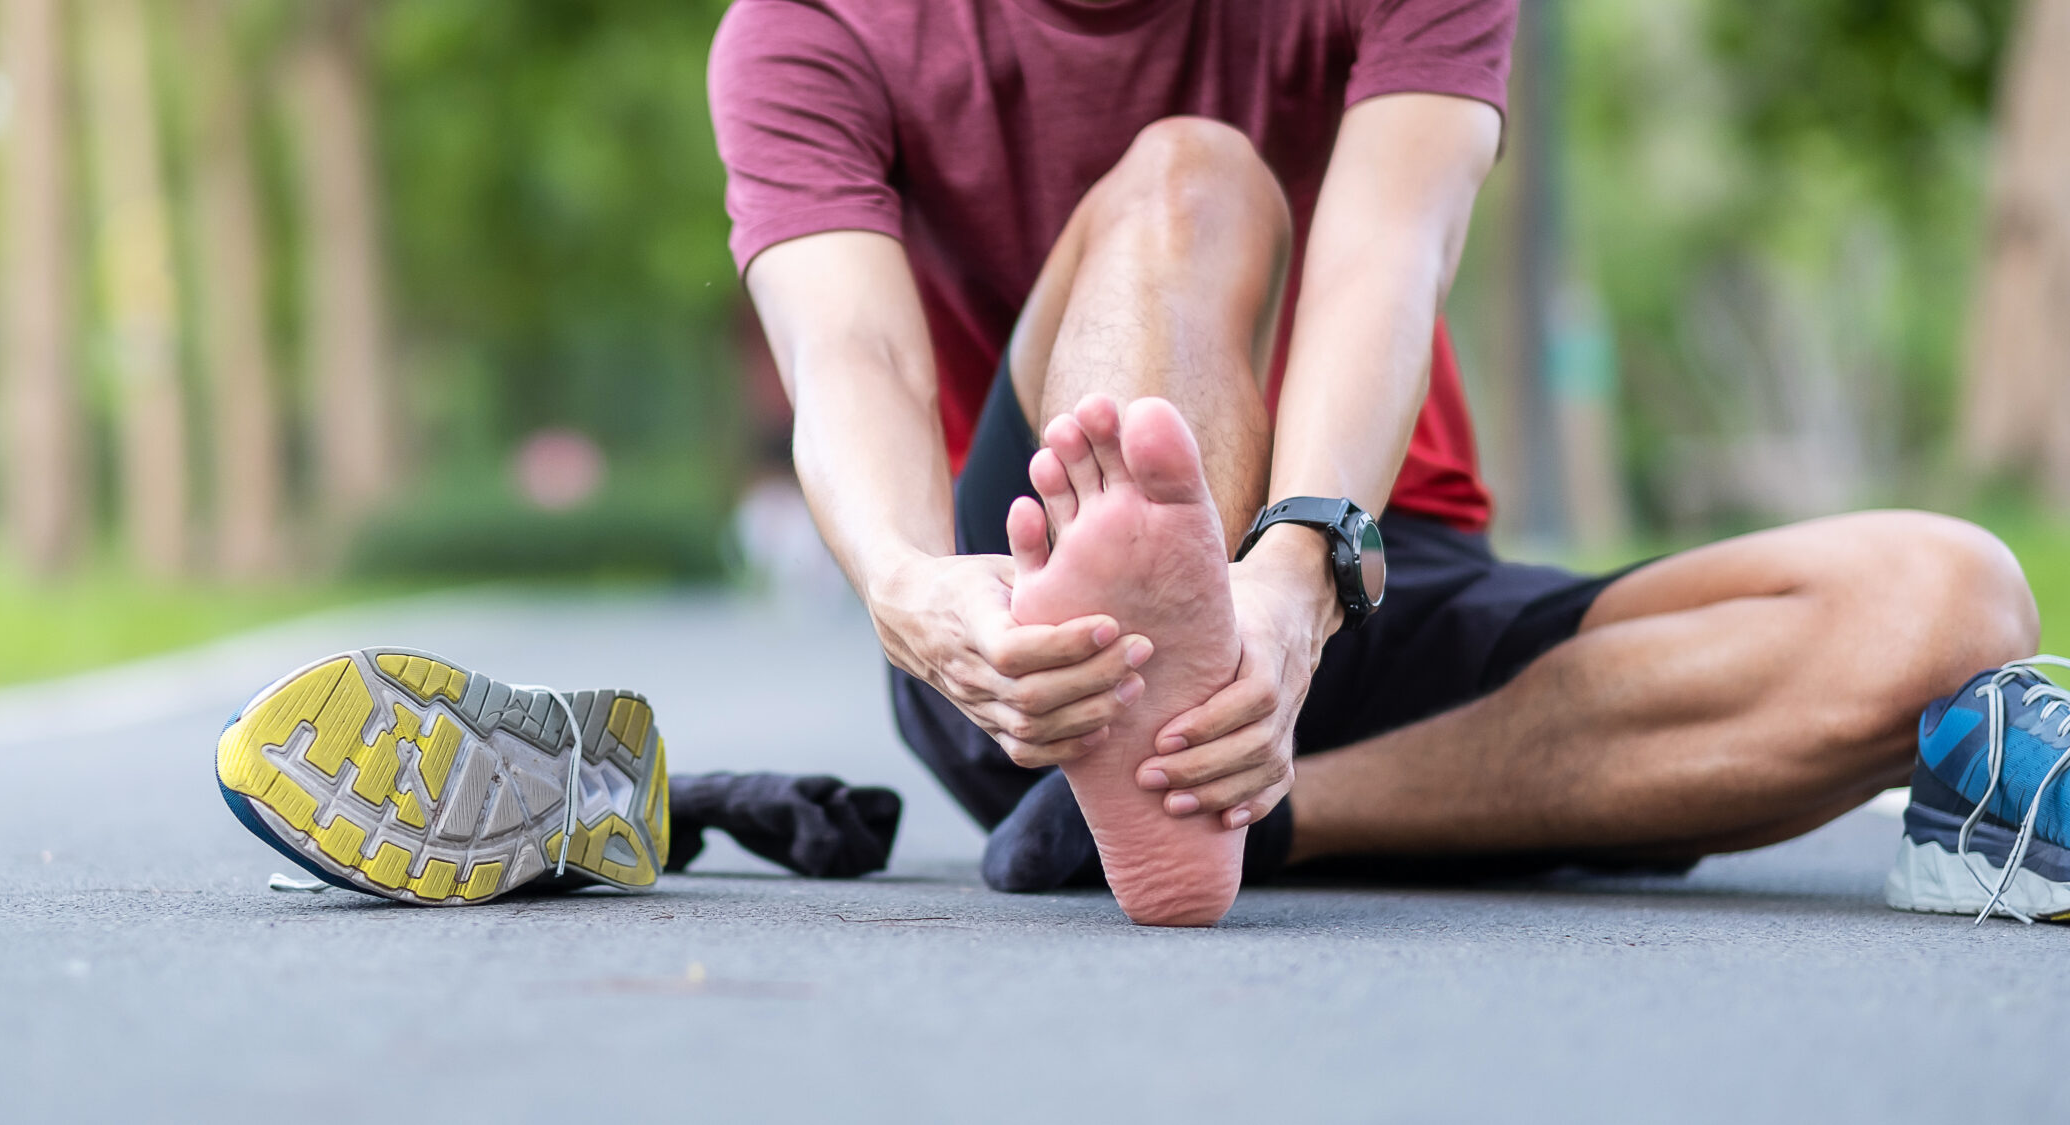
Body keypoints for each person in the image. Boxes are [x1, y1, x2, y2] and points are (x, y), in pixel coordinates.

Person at [709, 0, 2041, 924]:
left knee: (1952, 605)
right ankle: (1145, 699)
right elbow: (854, 365)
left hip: (1361, 576)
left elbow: (1388, 253)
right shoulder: (804, 32)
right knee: (1196, 180)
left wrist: (1296, 578)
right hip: (1037, 659)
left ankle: (1261, 810)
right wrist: (907, 588)